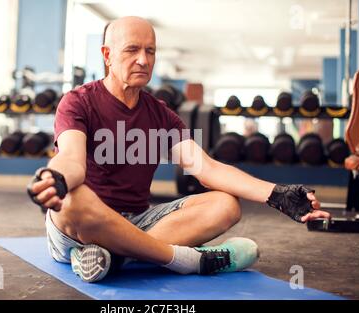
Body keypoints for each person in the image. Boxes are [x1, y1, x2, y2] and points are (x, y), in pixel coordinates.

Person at [27, 16, 331, 283]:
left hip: (138, 220)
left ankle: (112, 257)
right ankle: (189, 260)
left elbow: (207, 169)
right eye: (132, 50)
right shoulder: (78, 101)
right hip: (83, 225)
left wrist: (276, 194)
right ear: (107, 55)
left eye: (150, 51)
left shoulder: (160, 114)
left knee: (226, 205)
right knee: (73, 197)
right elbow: (72, 160)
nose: (144, 60)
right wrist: (57, 179)